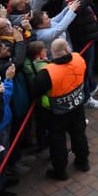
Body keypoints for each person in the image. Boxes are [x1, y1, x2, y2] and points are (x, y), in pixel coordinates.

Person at [30, 37, 90, 181]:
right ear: (67, 49)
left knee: (57, 141)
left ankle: (60, 171)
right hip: (76, 105)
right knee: (79, 134)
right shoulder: (78, 59)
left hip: (56, 112)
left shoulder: (47, 73)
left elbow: (35, 92)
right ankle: (83, 162)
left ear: (51, 52)